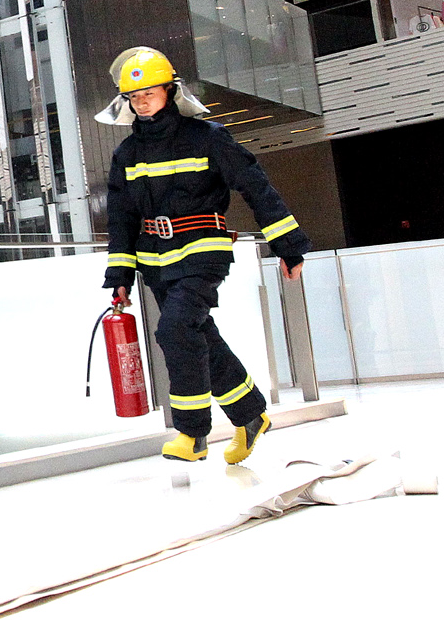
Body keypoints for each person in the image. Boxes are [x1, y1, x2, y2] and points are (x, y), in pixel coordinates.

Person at [97, 47, 310, 464]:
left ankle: (192, 433)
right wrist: (119, 273)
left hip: (203, 251)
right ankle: (249, 415)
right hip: (155, 259)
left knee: (175, 329)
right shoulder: (126, 154)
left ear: (169, 91)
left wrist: (287, 245)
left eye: (150, 93)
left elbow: (255, 186)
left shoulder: (207, 137)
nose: (142, 102)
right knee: (198, 335)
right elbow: (121, 218)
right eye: (135, 97)